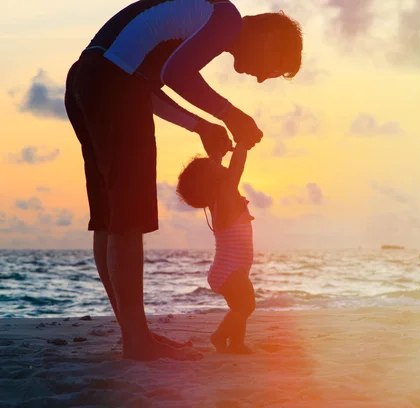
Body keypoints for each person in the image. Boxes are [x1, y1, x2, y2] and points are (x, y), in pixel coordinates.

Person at [63, 0, 303, 361]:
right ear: (269, 36)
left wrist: (201, 125)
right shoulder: (226, 17)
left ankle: (134, 334)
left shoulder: (202, 26)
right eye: (274, 67)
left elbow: (148, 82)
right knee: (126, 218)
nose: (260, 78)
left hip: (88, 78)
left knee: (111, 217)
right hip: (111, 84)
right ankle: (137, 341)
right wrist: (231, 115)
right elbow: (174, 75)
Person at [176, 142, 255, 354]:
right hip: (230, 271)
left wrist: (217, 155)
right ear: (214, 181)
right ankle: (219, 336)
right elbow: (236, 168)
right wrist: (242, 143)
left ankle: (236, 344)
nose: (221, 168)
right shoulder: (227, 196)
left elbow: (216, 172)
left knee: (239, 307)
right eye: (216, 168)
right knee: (246, 306)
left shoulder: (218, 199)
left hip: (227, 270)